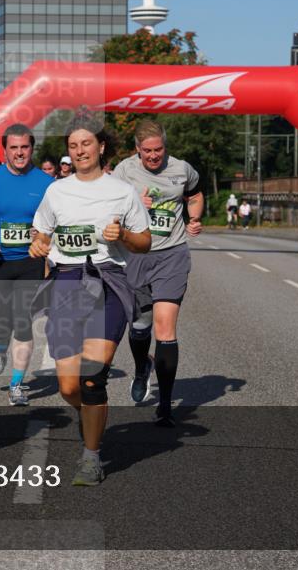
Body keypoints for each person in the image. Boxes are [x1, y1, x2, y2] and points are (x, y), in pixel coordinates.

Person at [29, 117, 151, 486]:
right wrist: (38, 244)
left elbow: (144, 242)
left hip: (108, 282)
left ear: (101, 146)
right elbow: (41, 232)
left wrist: (123, 234)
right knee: (69, 387)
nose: (80, 151)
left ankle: (91, 456)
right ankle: (91, 417)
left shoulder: (122, 192)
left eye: (86, 143)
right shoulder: (56, 191)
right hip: (67, 283)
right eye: (73, 145)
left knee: (93, 378)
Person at [112, 120, 203, 427]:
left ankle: (165, 406)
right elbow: (108, 211)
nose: (153, 156)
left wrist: (194, 218)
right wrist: (132, 204)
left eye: (159, 150)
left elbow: (195, 194)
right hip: (136, 255)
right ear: (137, 149)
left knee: (165, 329)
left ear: (165, 146)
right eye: (147, 151)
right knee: (140, 328)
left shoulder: (182, 169)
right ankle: (142, 368)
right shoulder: (124, 171)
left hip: (172, 255)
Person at [0, 124, 54, 405]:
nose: (19, 153)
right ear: (5, 151)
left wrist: (43, 235)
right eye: (14, 148)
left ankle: (16, 385)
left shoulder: (46, 183)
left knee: (23, 322)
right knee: (2, 321)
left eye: (24, 147)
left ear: (32, 148)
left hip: (30, 261)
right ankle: (0, 345)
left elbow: (57, 221)